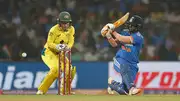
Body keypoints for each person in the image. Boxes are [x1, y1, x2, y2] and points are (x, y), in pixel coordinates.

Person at [101, 15, 144, 95]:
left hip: (133, 64)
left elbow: (121, 38)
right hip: (120, 59)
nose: (130, 26)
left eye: (132, 25)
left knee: (124, 91)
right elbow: (114, 44)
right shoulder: (125, 32)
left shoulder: (139, 37)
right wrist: (108, 35)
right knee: (125, 67)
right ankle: (132, 88)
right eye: (130, 24)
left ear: (137, 27)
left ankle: (112, 84)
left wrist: (112, 31)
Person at [36, 11, 76, 95]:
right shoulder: (53, 30)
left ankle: (65, 90)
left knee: (71, 69)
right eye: (63, 23)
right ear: (59, 23)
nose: (65, 25)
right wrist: (57, 46)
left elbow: (71, 40)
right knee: (56, 69)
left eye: (67, 23)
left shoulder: (71, 29)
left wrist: (68, 47)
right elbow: (49, 43)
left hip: (59, 53)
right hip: (48, 52)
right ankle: (41, 90)